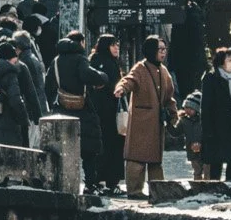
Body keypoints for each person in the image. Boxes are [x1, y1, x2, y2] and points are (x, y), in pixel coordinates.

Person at [117, 35, 177, 200]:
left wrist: (173, 114)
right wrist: (121, 88)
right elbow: (129, 80)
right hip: (141, 122)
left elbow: (169, 97)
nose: (163, 53)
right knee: (136, 158)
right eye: (160, 49)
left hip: (156, 123)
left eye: (165, 49)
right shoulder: (140, 68)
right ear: (151, 50)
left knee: (155, 160)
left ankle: (157, 190)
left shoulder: (163, 71)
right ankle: (134, 190)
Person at [53, 28, 105, 189]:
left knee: (64, 148)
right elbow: (87, 75)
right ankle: (90, 183)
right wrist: (103, 77)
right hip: (81, 109)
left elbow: (49, 84)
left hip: (62, 108)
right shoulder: (80, 59)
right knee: (88, 150)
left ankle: (63, 182)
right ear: (81, 42)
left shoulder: (56, 60)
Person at [200, 44, 231, 182]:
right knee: (217, 159)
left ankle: (230, 183)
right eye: (229, 60)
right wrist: (207, 128)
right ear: (221, 62)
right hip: (218, 125)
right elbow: (207, 105)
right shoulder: (211, 78)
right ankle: (215, 184)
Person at [90, 33, 125, 193]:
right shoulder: (106, 63)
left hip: (101, 112)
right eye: (113, 45)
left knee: (104, 147)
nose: (116, 47)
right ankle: (111, 181)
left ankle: (101, 180)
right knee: (111, 146)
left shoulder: (95, 60)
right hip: (108, 112)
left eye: (117, 45)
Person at [168, 0, 207, 99]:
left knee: (183, 89)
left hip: (181, 60)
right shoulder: (196, 15)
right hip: (194, 60)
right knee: (193, 89)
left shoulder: (179, 18)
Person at [11, 28, 49, 124]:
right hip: (39, 106)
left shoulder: (25, 62)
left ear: (18, 46)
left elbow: (31, 89)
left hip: (32, 111)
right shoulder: (32, 57)